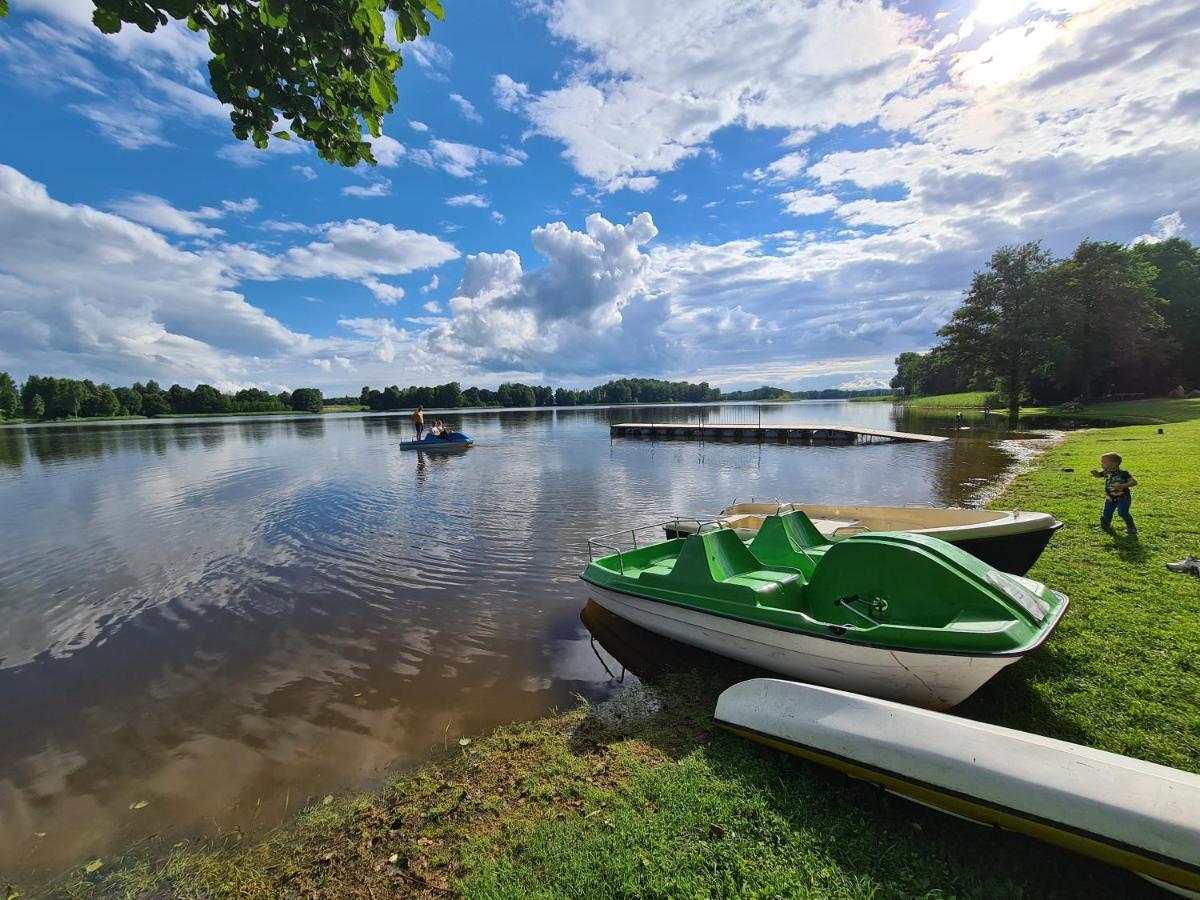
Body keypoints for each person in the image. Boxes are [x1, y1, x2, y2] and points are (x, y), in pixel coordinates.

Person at [1090, 451, 1138, 536]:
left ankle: (1131, 527)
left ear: (1114, 463)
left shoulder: (1123, 473)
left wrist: (1122, 485)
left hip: (1123, 497)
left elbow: (1134, 482)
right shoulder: (1106, 472)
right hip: (1110, 497)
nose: (1102, 464)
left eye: (1104, 462)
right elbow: (1098, 475)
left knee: (1122, 512)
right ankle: (1105, 526)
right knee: (1107, 512)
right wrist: (1095, 473)